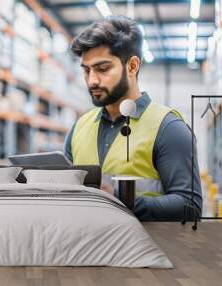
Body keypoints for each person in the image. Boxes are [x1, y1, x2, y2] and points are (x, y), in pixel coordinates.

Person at [64, 15, 202, 221]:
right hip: (87, 249)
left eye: (103, 69)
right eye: (86, 71)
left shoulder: (168, 128)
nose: (92, 81)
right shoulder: (79, 128)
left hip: (143, 250)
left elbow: (190, 207)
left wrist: (118, 199)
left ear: (132, 66)